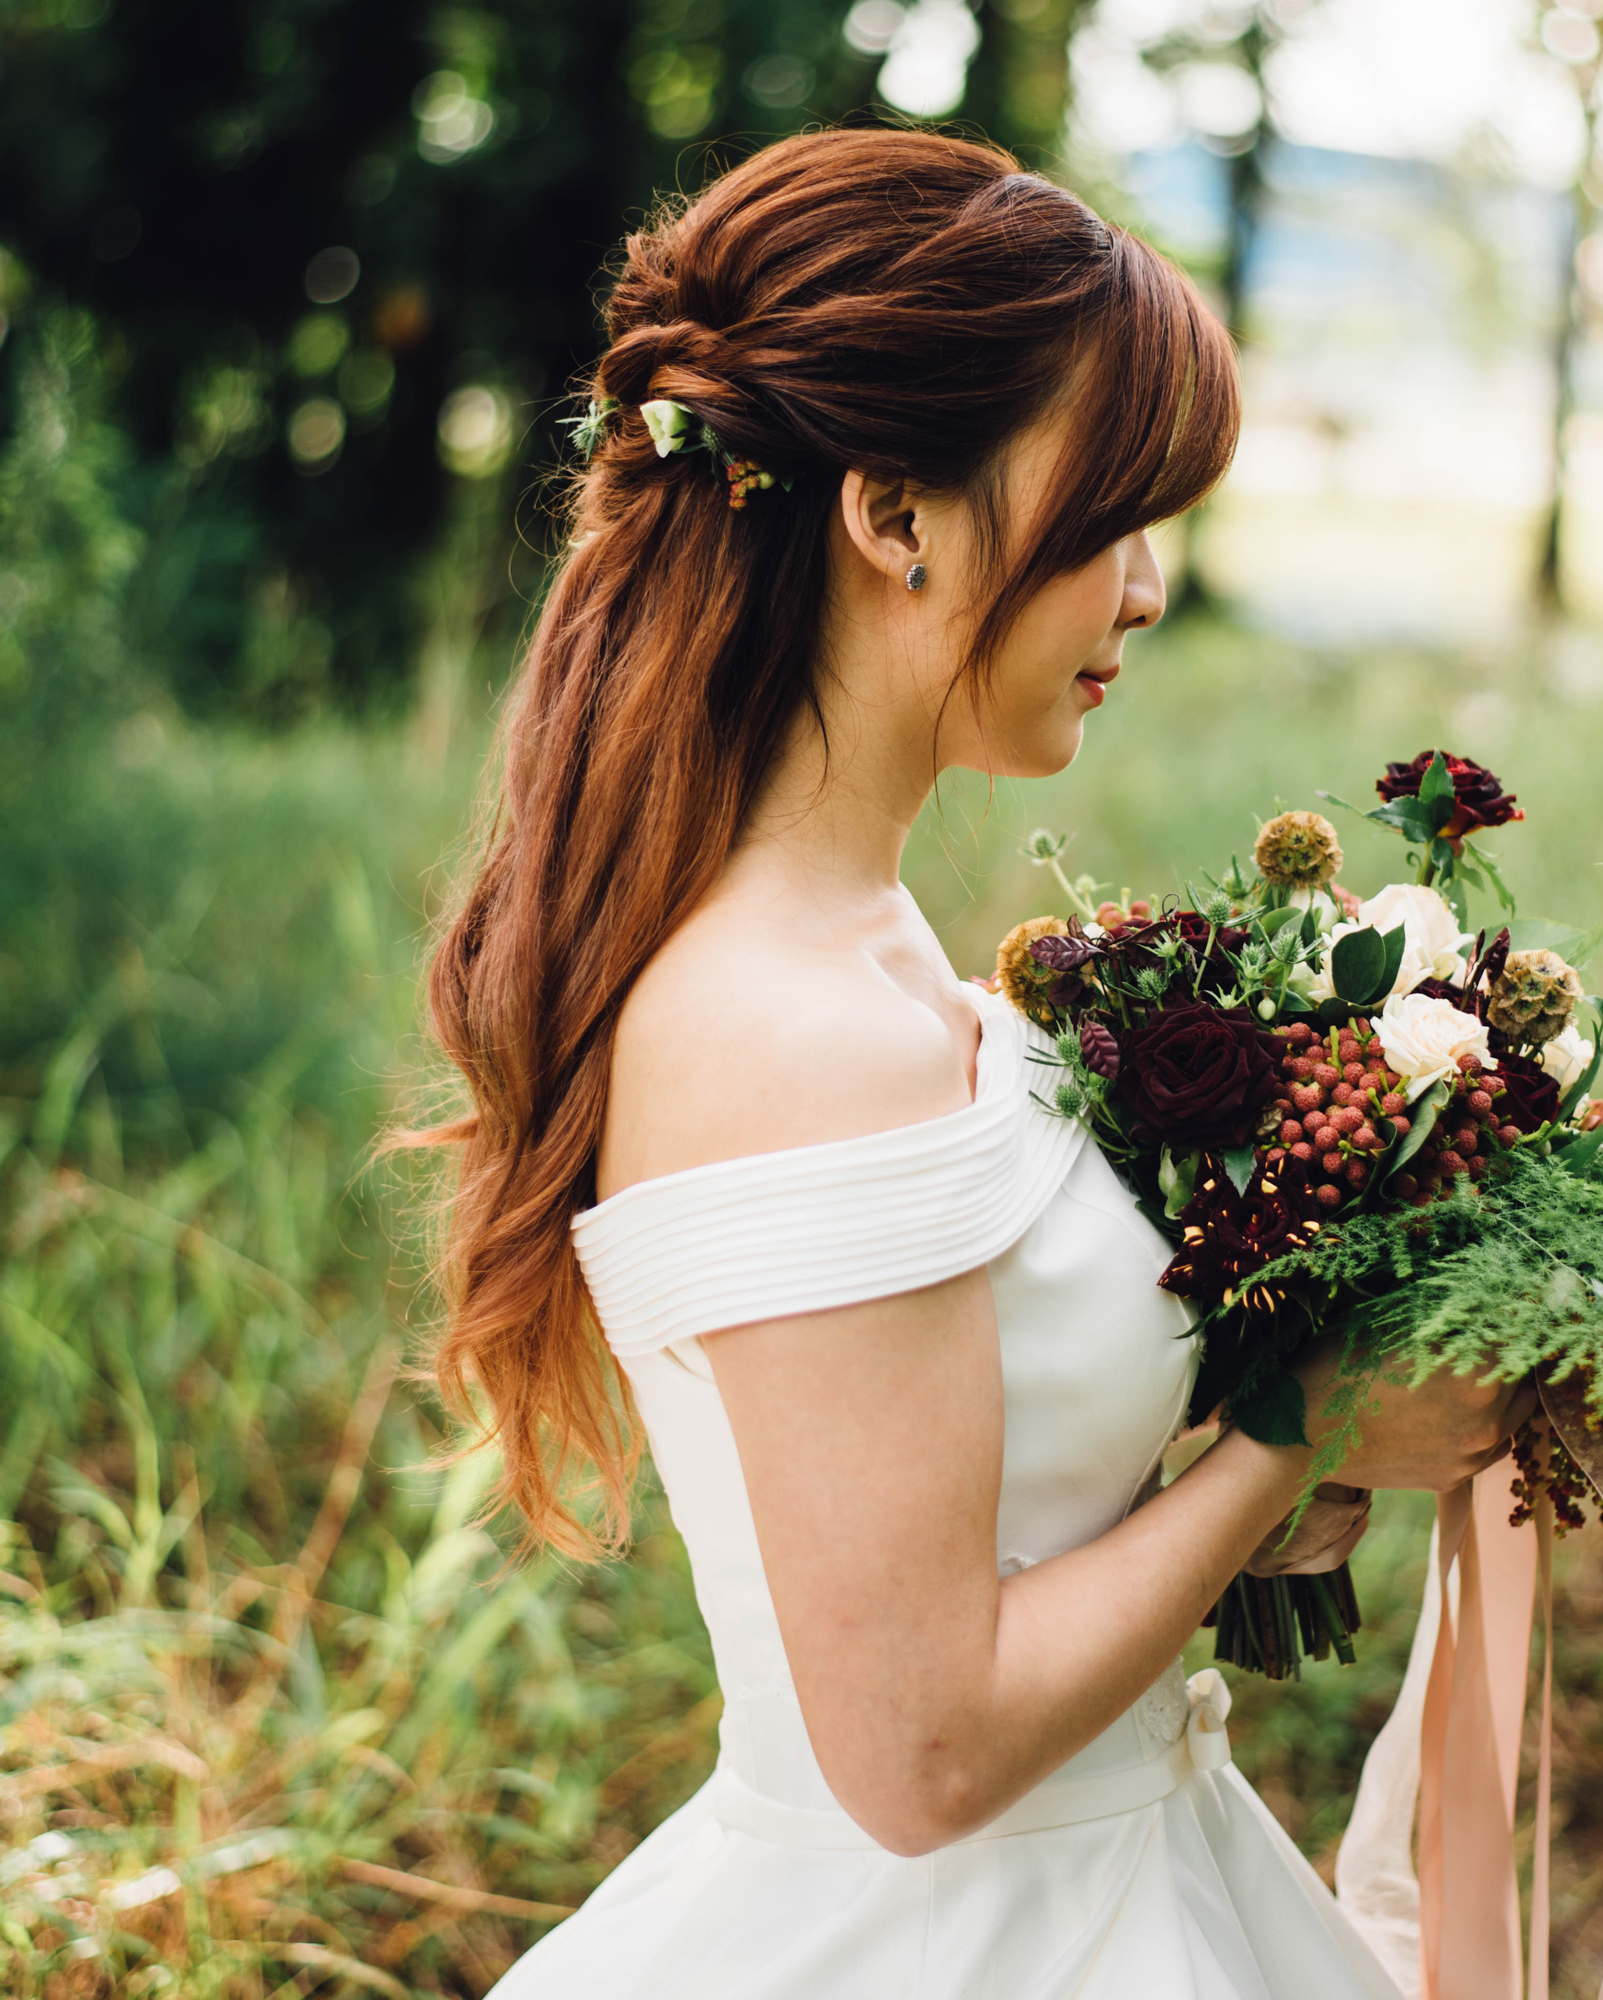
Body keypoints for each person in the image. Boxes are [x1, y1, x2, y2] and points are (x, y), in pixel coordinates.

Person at [417, 127, 1535, 2000]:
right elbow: (923, 1753)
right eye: (1111, 514)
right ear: (896, 514)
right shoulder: (792, 1027)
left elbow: (980, 1476)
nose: (1152, 587)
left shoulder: (870, 950)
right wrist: (1298, 1428)